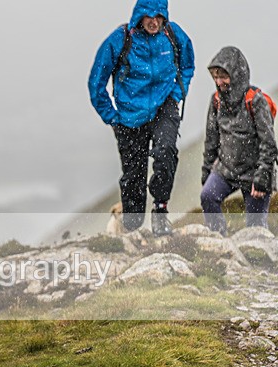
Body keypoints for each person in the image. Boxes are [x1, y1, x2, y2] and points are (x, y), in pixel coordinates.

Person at [89, 0, 195, 236]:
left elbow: (188, 64)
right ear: (139, 15)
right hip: (129, 117)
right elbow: (96, 81)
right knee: (133, 180)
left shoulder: (172, 33)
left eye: (159, 15)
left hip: (164, 107)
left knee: (165, 151)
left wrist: (177, 94)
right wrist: (112, 117)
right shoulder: (121, 39)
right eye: (149, 16)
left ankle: (160, 210)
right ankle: (130, 224)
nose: (155, 21)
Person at [200, 46, 277, 235]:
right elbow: (212, 139)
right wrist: (207, 170)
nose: (219, 82)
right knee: (208, 196)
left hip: (254, 174)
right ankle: (221, 245)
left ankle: (259, 260)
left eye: (223, 76)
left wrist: (262, 178)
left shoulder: (255, 101)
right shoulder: (216, 100)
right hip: (226, 170)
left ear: (236, 73)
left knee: (256, 232)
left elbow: (268, 143)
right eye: (215, 77)